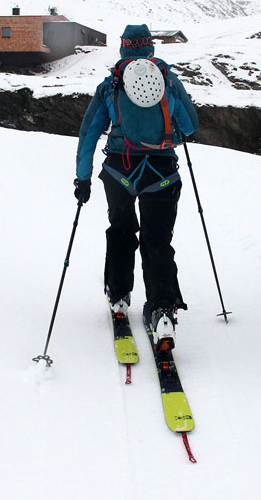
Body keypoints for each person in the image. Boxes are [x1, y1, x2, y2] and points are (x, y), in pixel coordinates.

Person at [74, 24, 199, 352]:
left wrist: (83, 178)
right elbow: (190, 126)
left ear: (124, 48)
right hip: (162, 174)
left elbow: (89, 133)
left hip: (120, 173)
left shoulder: (110, 85)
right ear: (149, 48)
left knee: (121, 230)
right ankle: (162, 311)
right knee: (157, 241)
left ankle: (118, 296)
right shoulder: (168, 80)